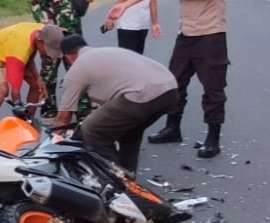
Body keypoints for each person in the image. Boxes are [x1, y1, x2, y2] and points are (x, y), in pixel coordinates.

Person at [107, 0, 229, 159]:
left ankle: (213, 138)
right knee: (174, 83)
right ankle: (173, 127)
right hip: (186, 34)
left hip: (211, 33)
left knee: (213, 89)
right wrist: (126, 4)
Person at [53, 35, 179, 173]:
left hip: (142, 94)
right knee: (129, 132)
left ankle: (114, 178)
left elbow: (64, 116)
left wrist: (55, 140)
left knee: (91, 130)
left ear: (68, 56)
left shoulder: (77, 68)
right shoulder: (107, 52)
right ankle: (129, 179)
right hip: (170, 90)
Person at [31, 0, 95, 121]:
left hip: (74, 35)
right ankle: (49, 111)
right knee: (49, 75)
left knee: (80, 71)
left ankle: (83, 113)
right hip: (53, 37)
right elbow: (36, 6)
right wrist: (49, 25)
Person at [0, 21, 65, 137]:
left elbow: (30, 56)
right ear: (40, 41)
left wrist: (39, 79)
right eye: (48, 49)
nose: (48, 53)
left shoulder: (43, 31)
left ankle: (27, 124)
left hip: (10, 47)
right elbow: (15, 90)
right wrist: (18, 106)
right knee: (3, 91)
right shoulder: (19, 53)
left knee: (36, 86)